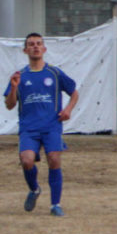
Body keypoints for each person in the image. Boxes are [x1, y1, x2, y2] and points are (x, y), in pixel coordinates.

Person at [4, 32, 79, 216]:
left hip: (51, 126)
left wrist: (68, 109)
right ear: (25, 50)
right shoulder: (20, 76)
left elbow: (74, 92)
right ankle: (35, 189)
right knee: (27, 161)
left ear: (44, 49)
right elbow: (9, 105)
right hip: (29, 128)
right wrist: (13, 87)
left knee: (54, 159)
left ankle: (55, 205)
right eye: (31, 44)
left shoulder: (54, 73)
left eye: (38, 43)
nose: (35, 47)